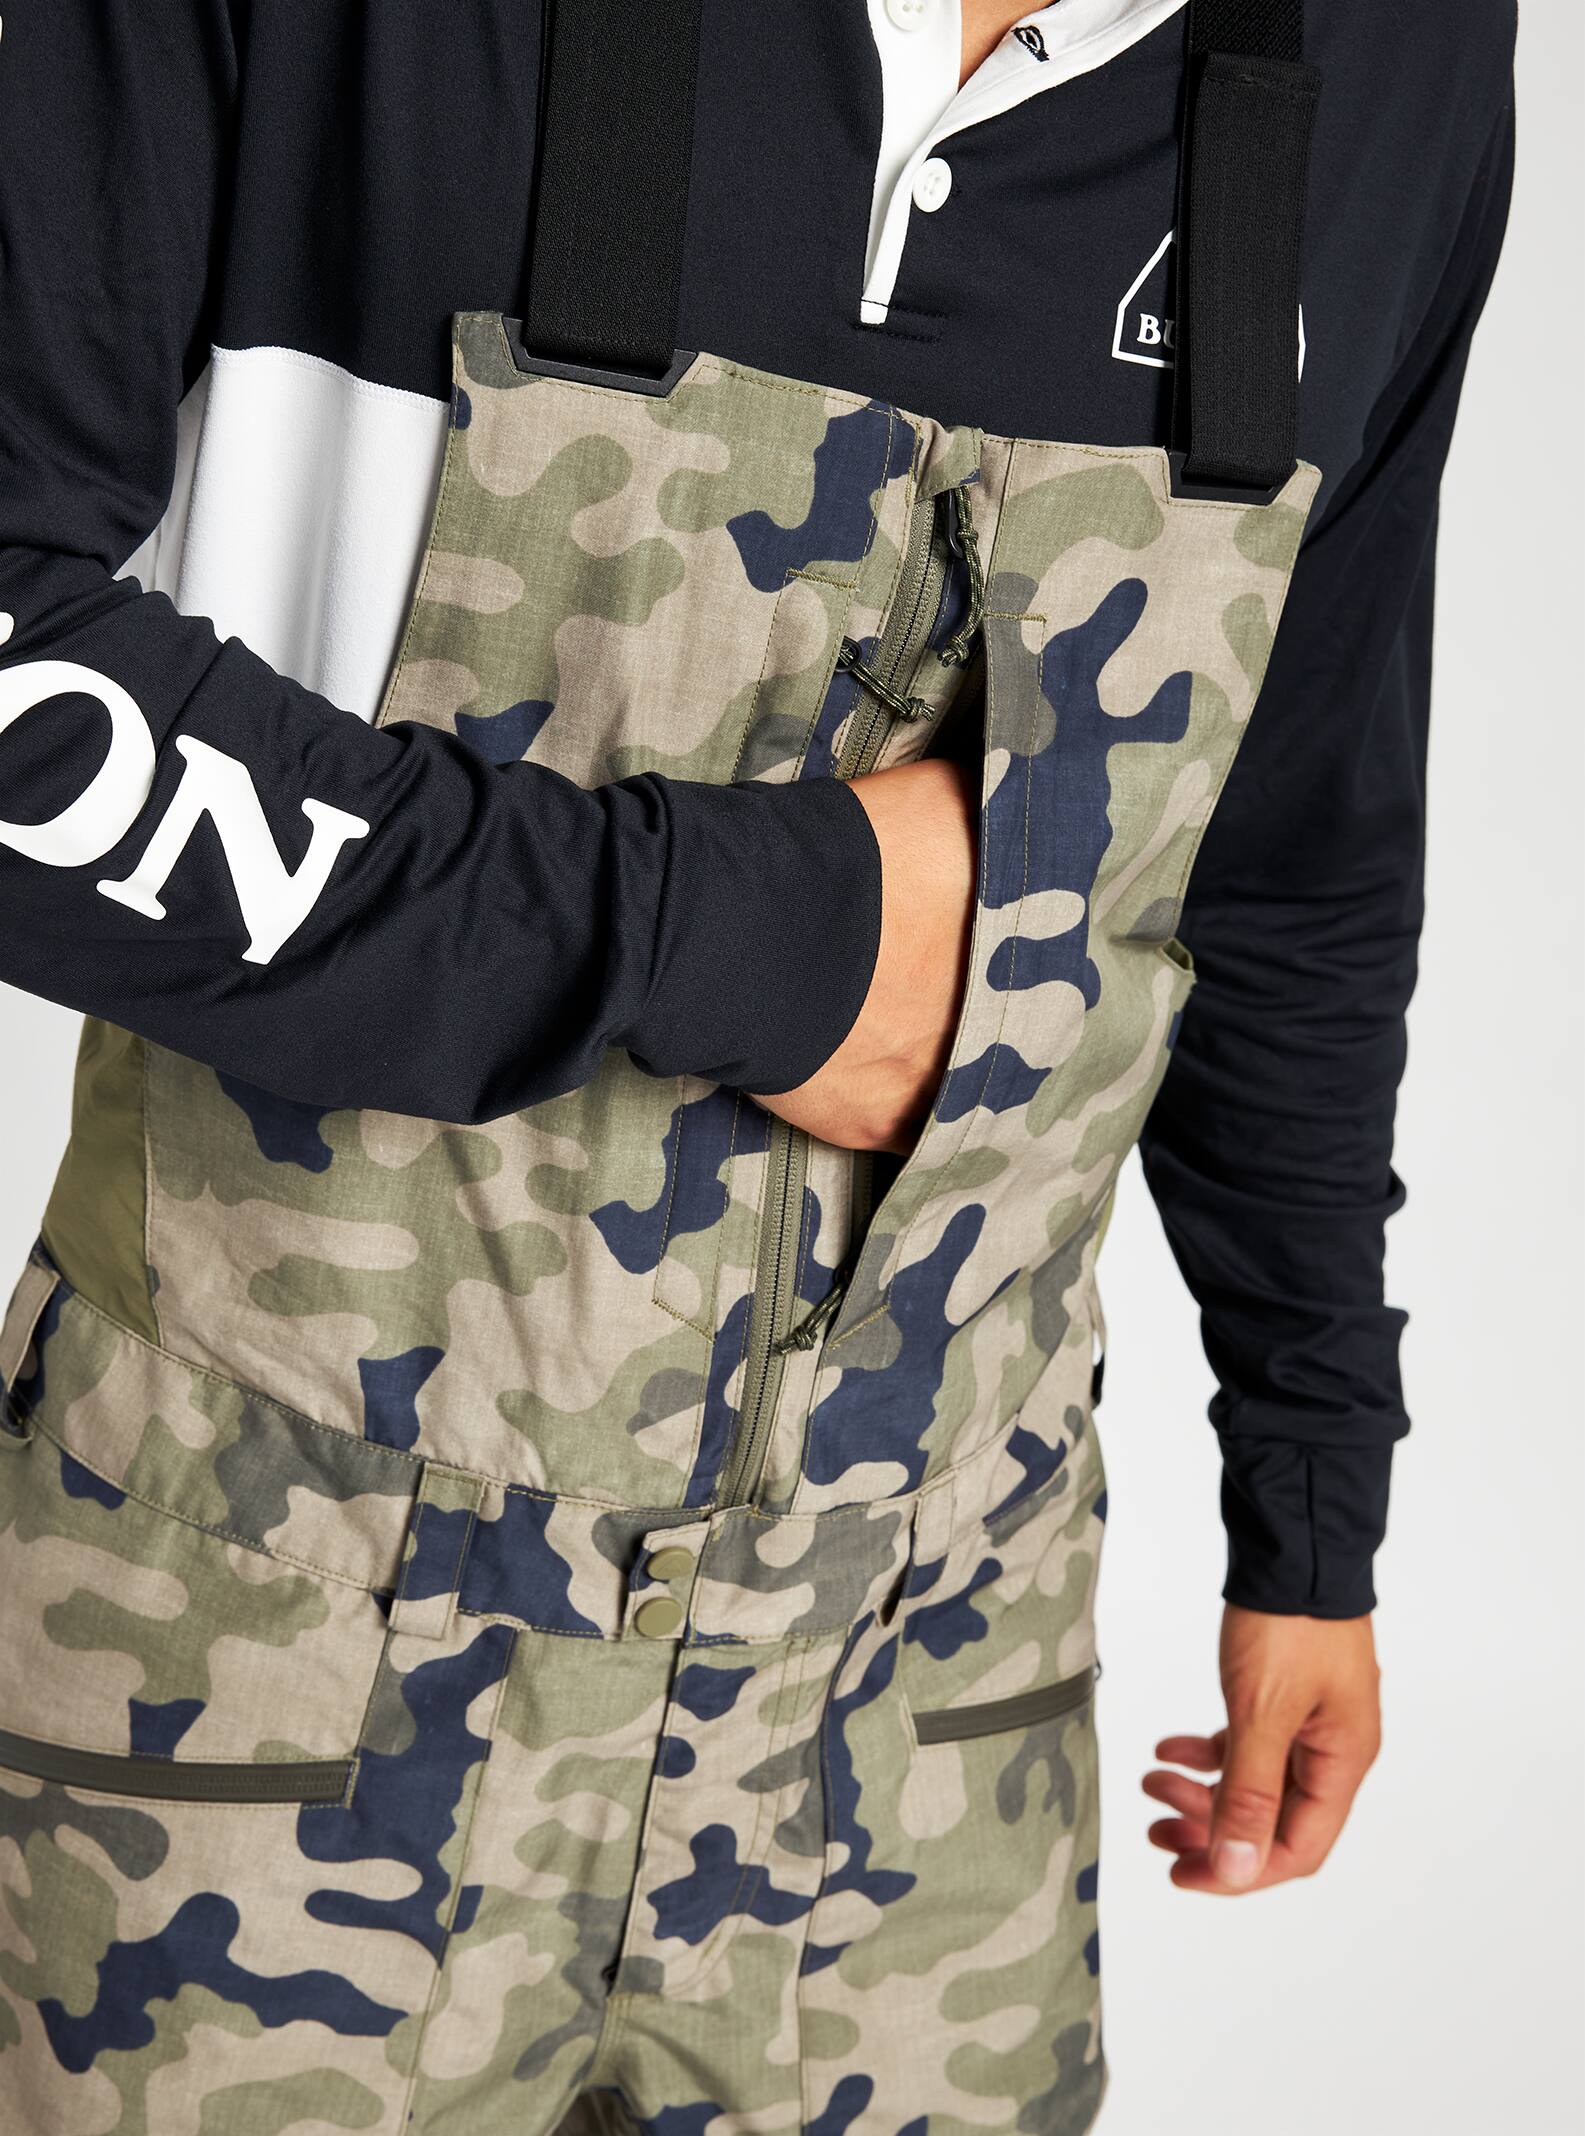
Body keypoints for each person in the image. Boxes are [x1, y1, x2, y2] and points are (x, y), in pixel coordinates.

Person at [0, 0, 1512, 2128]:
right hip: (243, 1663)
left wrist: (1315, 1495)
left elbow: (1291, 851)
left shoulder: (1399, 51)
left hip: (931, 1715)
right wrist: (739, 935)